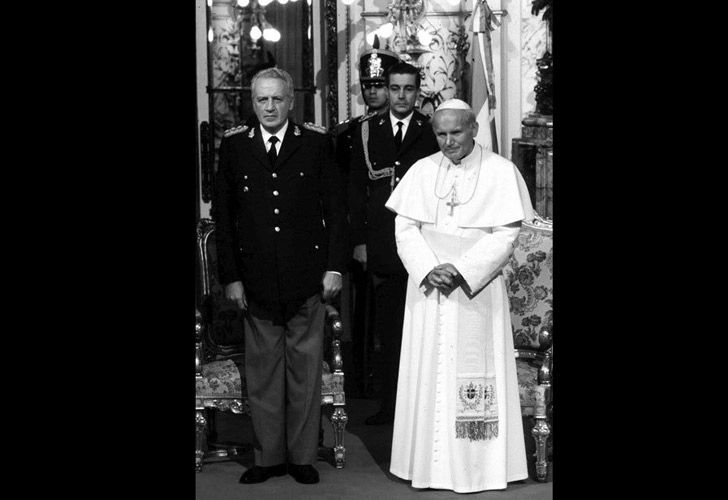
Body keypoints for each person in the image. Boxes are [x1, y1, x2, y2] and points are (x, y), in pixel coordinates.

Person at [385, 99, 534, 493]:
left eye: (456, 132)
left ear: (473, 130)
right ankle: (425, 466)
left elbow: (507, 232)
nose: (448, 141)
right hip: (429, 289)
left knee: (473, 372)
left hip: (475, 292)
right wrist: (428, 267)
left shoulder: (501, 172)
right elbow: (405, 227)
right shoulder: (422, 170)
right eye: (440, 133)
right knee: (427, 371)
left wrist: (463, 269)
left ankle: (476, 468)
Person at [213, 67, 348, 485]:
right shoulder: (235, 148)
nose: (269, 107)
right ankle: (268, 457)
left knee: (305, 373)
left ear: (291, 101)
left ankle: (302, 456)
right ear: (252, 104)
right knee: (264, 374)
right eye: (261, 100)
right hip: (255, 282)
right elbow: (225, 217)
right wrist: (231, 277)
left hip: (306, 277)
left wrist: (334, 266)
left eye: (277, 99)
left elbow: (336, 213)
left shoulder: (317, 144)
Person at [348, 61, 440, 425]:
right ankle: (391, 406)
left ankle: (424, 408)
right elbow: (356, 190)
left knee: (424, 329)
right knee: (389, 331)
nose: (401, 96)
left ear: (418, 92)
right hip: (383, 244)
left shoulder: (431, 129)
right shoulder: (367, 130)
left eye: (409, 89)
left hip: (424, 244)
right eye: (395, 88)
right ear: (386, 89)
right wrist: (359, 241)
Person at [335, 46, 400, 398]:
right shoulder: (349, 133)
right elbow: (347, 192)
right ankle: (363, 382)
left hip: (399, 235)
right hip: (365, 235)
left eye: (379, 83)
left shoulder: (413, 128)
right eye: (367, 84)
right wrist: (356, 238)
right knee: (363, 312)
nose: (372, 91)